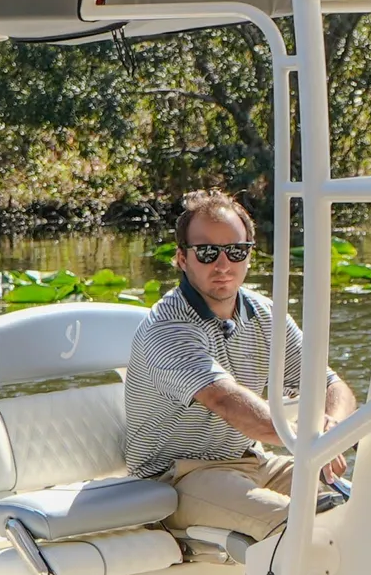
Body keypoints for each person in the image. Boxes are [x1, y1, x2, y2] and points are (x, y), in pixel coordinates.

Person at [122, 190, 355, 540]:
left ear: (249, 256)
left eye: (235, 251)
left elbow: (330, 384)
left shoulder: (265, 314)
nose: (222, 264)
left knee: (362, 505)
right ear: (182, 258)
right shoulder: (167, 329)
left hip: (253, 462)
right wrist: (307, 440)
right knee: (299, 523)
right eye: (207, 252)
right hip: (174, 479)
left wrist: (332, 430)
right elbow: (225, 400)